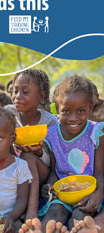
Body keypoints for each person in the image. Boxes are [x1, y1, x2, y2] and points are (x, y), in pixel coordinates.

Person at [39, 75, 104, 232]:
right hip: (63, 195)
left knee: (80, 214)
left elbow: (100, 173)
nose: (73, 118)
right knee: (55, 212)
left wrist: (98, 194)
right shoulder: (52, 135)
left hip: (89, 194)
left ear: (90, 108)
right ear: (57, 108)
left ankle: (81, 229)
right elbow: (55, 170)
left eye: (81, 111)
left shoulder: (96, 133)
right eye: (66, 111)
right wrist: (51, 186)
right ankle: (43, 230)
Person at [6, 69, 57, 220]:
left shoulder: (50, 122)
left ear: (41, 96)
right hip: (12, 169)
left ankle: (31, 212)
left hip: (38, 171)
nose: (17, 96)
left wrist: (40, 152)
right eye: (15, 91)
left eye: (25, 92)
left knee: (28, 157)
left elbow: (52, 161)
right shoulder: (8, 114)